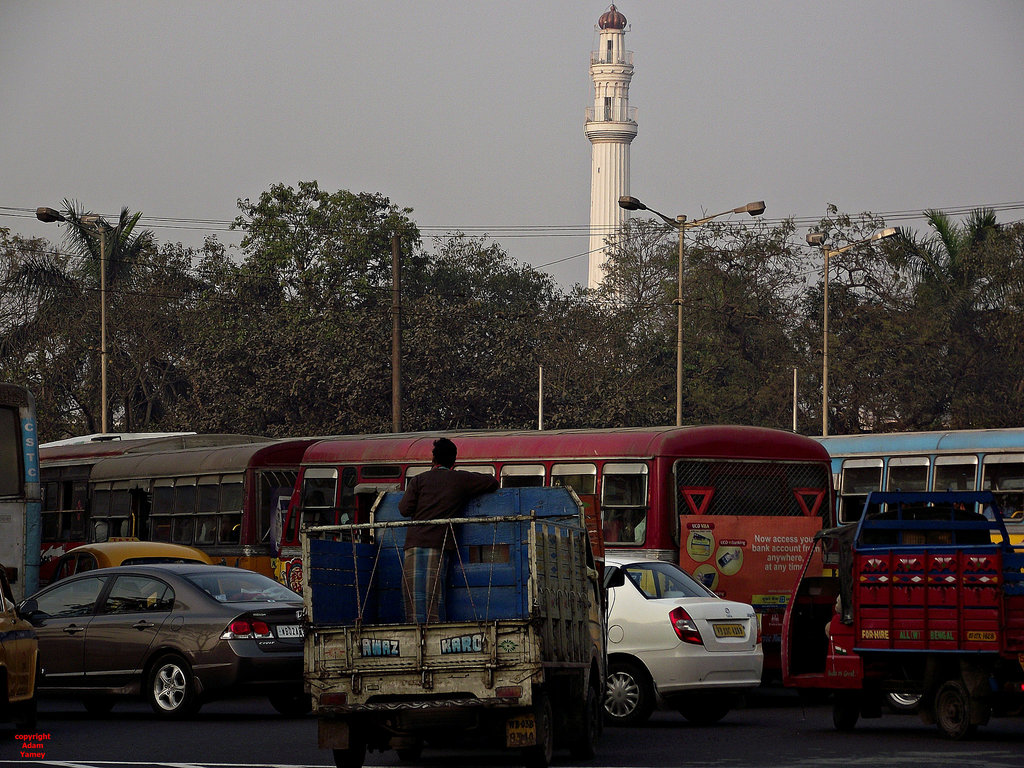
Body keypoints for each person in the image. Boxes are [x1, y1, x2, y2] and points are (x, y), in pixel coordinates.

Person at [399, 437, 498, 623]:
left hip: (413, 546)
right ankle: (434, 635)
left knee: (413, 597)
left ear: (433, 460)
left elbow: (404, 509)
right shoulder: (459, 479)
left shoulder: (419, 480)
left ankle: (413, 634)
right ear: (453, 461)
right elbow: (491, 482)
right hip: (438, 545)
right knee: (434, 597)